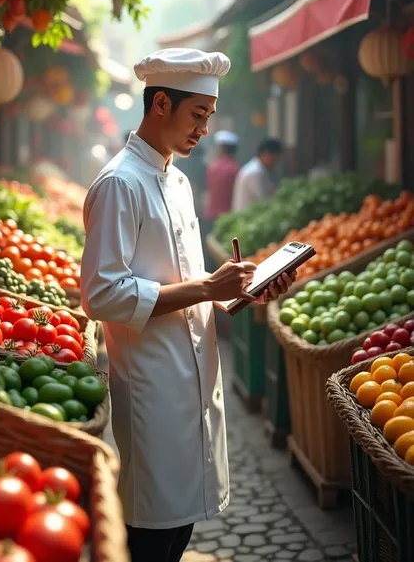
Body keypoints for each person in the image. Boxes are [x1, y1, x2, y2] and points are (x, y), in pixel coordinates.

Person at [81, 48, 295, 562]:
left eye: (208, 118)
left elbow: (183, 281)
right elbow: (101, 293)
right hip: (154, 388)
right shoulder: (119, 185)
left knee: (179, 532)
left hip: (193, 378)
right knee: (152, 535)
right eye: (196, 115)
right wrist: (205, 290)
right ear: (159, 104)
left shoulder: (176, 180)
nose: (203, 129)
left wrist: (239, 292)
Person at [232, 137, 283, 212]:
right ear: (266, 154)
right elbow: (263, 200)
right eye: (275, 159)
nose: (275, 163)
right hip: (247, 218)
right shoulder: (255, 173)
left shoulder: (260, 169)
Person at [204, 130, 240, 222]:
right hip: (229, 215)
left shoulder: (213, 167)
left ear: (221, 148)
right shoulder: (235, 168)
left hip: (211, 213)